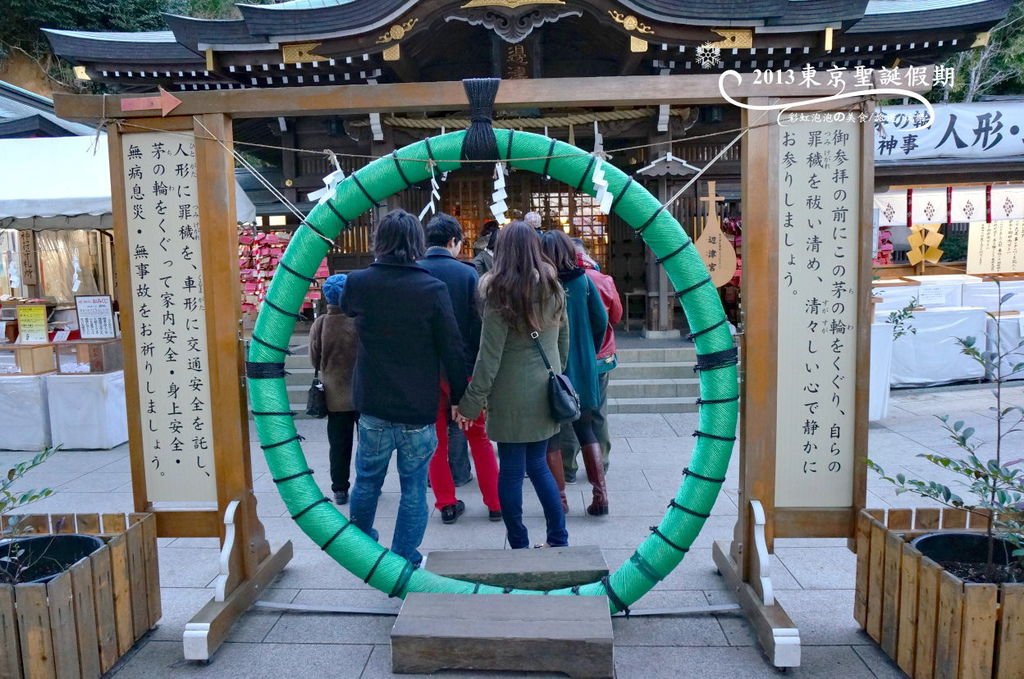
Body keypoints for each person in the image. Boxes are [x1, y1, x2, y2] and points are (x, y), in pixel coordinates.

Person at [340, 209, 468, 566]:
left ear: (379, 241)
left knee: (366, 480)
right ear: (417, 243)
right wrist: (460, 397)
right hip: (417, 403)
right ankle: (404, 556)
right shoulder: (431, 288)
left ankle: (362, 548)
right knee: (413, 486)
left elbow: (346, 308)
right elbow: (452, 347)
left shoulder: (359, 282)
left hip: (374, 401)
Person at [455, 221, 569, 549]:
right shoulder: (553, 287)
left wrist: (471, 402)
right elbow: (564, 338)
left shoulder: (497, 292)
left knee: (511, 470)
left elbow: (488, 357)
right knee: (539, 465)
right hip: (545, 391)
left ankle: (518, 541)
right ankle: (557, 538)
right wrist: (556, 374)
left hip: (509, 395)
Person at [419, 213, 502, 524]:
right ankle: (495, 503)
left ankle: (446, 503)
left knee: (435, 441)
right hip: (465, 369)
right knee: (478, 438)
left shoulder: (414, 272)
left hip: (427, 372)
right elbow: (478, 326)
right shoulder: (467, 274)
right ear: (453, 242)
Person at [539, 230, 609, 516]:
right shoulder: (584, 280)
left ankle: (561, 501)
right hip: (583, 365)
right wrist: (587, 348)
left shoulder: (542, 284)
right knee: (586, 427)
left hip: (550, 367)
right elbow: (601, 321)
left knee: (552, 435)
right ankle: (600, 495)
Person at [559, 239, 622, 483]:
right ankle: (600, 463)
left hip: (569, 357)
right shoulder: (602, 279)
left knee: (568, 411)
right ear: (587, 254)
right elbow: (614, 316)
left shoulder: (561, 281)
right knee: (597, 411)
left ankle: (568, 465)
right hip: (601, 355)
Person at [308, 273, 359, 505]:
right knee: (367, 444)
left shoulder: (321, 324)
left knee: (339, 445)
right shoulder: (358, 320)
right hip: (361, 393)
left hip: (334, 395)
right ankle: (367, 485)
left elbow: (314, 359)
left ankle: (340, 488)